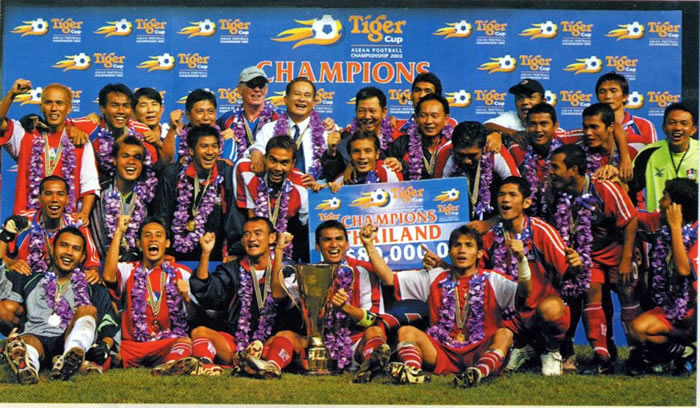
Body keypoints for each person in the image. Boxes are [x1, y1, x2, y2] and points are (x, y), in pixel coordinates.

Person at [370, 225, 529, 387]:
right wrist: (369, 245)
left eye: (468, 245)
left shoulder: (494, 279)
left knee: (505, 334)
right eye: (457, 245)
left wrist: (522, 261)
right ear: (449, 252)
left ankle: (478, 372)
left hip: (479, 351)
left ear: (479, 253)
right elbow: (389, 279)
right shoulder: (434, 277)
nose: (462, 250)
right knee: (406, 332)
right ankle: (412, 371)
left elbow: (523, 294)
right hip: (442, 352)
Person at [237, 220, 385, 379]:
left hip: (353, 344)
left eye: (339, 239)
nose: (333, 244)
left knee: (375, 332)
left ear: (347, 244)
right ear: (318, 247)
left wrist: (347, 308)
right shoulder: (310, 273)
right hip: (316, 345)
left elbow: (371, 319)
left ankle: (369, 366)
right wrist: (279, 251)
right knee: (285, 335)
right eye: (327, 240)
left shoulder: (361, 272)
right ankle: (271, 367)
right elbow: (278, 293)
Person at [548, 144, 639, 374]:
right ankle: (602, 357)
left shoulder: (604, 189)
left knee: (628, 296)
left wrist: (627, 258)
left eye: (555, 167)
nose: (550, 172)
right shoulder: (557, 192)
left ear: (573, 170)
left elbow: (630, 220)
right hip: (590, 256)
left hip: (618, 252)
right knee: (591, 294)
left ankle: (639, 355)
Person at [482, 176, 582, 376]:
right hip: (509, 316)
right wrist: (440, 264)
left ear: (526, 202)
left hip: (540, 310)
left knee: (552, 309)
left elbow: (569, 275)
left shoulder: (541, 231)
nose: (505, 199)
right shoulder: (490, 237)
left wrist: (576, 265)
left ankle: (552, 351)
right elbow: (474, 277)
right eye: (501, 194)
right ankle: (521, 347)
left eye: (512, 195)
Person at [0, 223, 118, 383]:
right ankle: (28, 366)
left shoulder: (92, 285)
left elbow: (109, 323)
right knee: (27, 342)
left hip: (68, 339)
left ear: (83, 257)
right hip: (36, 337)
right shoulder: (31, 279)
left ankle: (70, 357)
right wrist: (5, 237)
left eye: (76, 249)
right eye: (64, 245)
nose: (68, 252)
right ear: (53, 249)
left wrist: (105, 345)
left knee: (88, 310)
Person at [188, 218, 299, 375]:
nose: (251, 238)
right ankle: (204, 365)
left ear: (272, 238)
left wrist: (279, 251)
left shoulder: (287, 268)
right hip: (237, 346)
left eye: (258, 233)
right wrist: (205, 253)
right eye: (246, 234)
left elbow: (279, 295)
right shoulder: (231, 269)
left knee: (284, 337)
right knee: (200, 332)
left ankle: (270, 367)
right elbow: (207, 293)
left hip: (271, 343)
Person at [103, 216, 196, 375]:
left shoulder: (182, 273)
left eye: (159, 235)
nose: (153, 239)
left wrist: (187, 298)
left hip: (164, 344)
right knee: (109, 347)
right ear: (139, 244)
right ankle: (92, 367)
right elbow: (108, 276)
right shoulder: (129, 270)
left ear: (167, 243)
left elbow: (195, 317)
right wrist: (118, 232)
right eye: (147, 235)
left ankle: (170, 366)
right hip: (132, 345)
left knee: (185, 342)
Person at [0, 79, 100, 224]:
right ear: (41, 106)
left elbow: (89, 183)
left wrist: (84, 214)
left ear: (69, 108)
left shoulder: (79, 140)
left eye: (59, 103)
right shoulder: (25, 134)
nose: (54, 108)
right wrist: (11, 95)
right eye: (48, 103)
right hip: (28, 221)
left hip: (66, 224)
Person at [627, 178, 697, 376]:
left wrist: (675, 229)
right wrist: (620, 185)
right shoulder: (660, 223)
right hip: (671, 310)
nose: (659, 201)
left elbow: (683, 269)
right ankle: (684, 351)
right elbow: (631, 215)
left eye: (664, 198)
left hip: (694, 313)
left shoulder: (697, 233)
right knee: (636, 329)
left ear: (676, 208)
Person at [155, 125, 236, 261]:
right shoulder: (173, 174)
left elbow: (233, 217)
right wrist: (163, 250)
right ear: (191, 151)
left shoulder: (225, 173)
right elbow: (162, 214)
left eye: (214, 146)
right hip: (175, 256)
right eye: (204, 146)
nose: (210, 152)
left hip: (214, 256)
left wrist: (233, 251)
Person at [248, 77, 339, 189]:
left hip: (312, 192)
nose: (302, 99)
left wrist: (318, 183)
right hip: (276, 192)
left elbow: (332, 172)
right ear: (285, 99)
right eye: (297, 94)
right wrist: (256, 152)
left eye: (307, 95)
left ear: (314, 103)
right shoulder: (269, 129)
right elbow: (258, 150)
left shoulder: (325, 132)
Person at [235, 136, 308, 261]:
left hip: (287, 246)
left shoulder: (302, 185)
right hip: (252, 243)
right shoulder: (246, 172)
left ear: (293, 164)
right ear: (264, 158)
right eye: (273, 160)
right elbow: (248, 217)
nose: (277, 168)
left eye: (284, 163)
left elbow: (305, 228)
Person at [70, 83, 162, 182]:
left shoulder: (141, 131)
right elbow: (59, 124)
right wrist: (71, 129)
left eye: (126, 106)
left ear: (131, 109)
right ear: (102, 108)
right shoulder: (91, 125)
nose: (121, 111)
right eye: (115, 105)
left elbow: (158, 167)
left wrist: (159, 145)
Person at [434, 121, 519, 220]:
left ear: (483, 148)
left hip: (494, 212)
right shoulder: (445, 152)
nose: (466, 161)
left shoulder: (494, 151)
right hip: (456, 210)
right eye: (460, 155)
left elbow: (518, 190)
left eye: (472, 155)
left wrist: (492, 222)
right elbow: (437, 194)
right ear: (453, 148)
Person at [89, 136, 157, 259]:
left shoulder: (148, 196)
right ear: (114, 160)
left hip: (135, 265)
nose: (131, 161)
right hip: (100, 265)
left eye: (137, 157)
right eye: (125, 156)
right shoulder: (98, 192)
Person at [321, 87, 402, 181]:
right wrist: (331, 154)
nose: (367, 116)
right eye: (362, 111)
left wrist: (399, 163)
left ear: (384, 112)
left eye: (372, 111)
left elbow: (412, 169)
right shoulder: (345, 139)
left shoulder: (398, 139)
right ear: (356, 111)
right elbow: (332, 176)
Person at [629, 102, 698, 212]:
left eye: (683, 123)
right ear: (664, 127)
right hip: (657, 221)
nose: (677, 128)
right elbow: (628, 188)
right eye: (672, 123)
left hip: (694, 222)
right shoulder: (648, 153)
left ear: (693, 129)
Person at [508, 103, 565, 217]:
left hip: (562, 215)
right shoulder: (516, 149)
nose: (538, 130)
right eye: (533, 124)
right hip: (530, 216)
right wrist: (496, 134)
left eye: (544, 124)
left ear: (555, 126)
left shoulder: (568, 142)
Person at [217, 66, 278, 164]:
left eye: (261, 85)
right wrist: (222, 139)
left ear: (266, 89)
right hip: (235, 171)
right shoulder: (227, 119)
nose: (257, 89)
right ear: (239, 89)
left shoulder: (279, 118)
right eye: (252, 85)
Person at [386, 94, 452, 181]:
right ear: (416, 118)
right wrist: (393, 164)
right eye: (423, 115)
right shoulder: (401, 144)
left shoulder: (452, 146)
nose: (429, 121)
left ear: (446, 119)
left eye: (434, 116)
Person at [595, 71, 657, 153]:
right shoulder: (590, 126)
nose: (608, 96)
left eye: (613, 91)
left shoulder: (644, 125)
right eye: (602, 92)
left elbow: (653, 156)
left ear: (625, 96)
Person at [328, 131, 403, 192]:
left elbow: (400, 201)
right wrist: (331, 191)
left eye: (368, 151)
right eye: (356, 151)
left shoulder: (389, 171)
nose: (362, 156)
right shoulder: (341, 180)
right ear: (350, 155)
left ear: (377, 154)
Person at [392, 72, 457, 138]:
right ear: (411, 96)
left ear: (437, 97)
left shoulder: (451, 126)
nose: (421, 95)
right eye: (417, 90)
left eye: (428, 91)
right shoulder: (397, 126)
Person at [132, 87, 174, 163]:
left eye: (154, 104)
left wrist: (159, 144)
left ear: (161, 109)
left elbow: (170, 163)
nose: (150, 110)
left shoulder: (171, 133)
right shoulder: (129, 133)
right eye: (143, 105)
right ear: (133, 112)